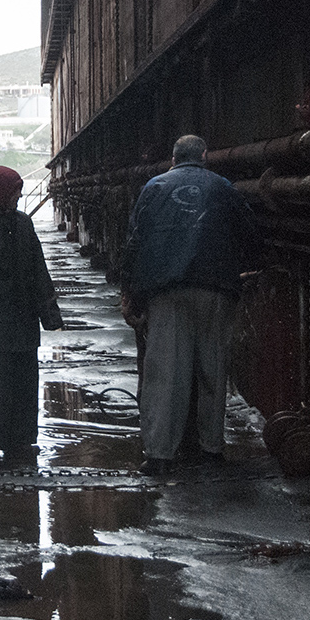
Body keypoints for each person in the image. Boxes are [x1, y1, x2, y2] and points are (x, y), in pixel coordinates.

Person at [121, 135, 260, 475]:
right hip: (216, 289)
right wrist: (247, 268)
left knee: (165, 373)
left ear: (172, 158)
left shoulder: (154, 188)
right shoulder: (223, 187)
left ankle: (159, 455)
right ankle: (211, 449)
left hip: (167, 291)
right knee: (213, 369)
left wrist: (131, 293)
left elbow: (135, 241)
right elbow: (249, 233)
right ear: (204, 155)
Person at [0, 166, 65, 466]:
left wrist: (49, 311)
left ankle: (21, 440)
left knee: (24, 384)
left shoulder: (22, 223)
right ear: (0, 193)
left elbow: (38, 269)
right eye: (15, 191)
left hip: (23, 324)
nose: (19, 196)